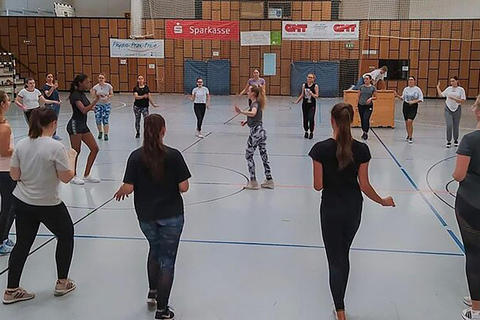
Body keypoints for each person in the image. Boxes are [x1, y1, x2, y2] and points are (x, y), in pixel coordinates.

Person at [309, 102, 395, 320]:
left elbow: (318, 185)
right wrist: (383, 201)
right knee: (343, 255)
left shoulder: (320, 149)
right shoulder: (362, 150)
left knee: (334, 259)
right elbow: (365, 186)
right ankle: (340, 307)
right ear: (352, 120)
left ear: (332, 121)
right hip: (353, 209)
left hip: (330, 210)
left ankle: (340, 311)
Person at [114, 114, 191, 320]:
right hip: (171, 215)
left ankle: (153, 292)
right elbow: (183, 187)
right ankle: (162, 310)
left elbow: (128, 187)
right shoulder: (173, 156)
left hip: (146, 215)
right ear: (163, 130)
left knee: (154, 249)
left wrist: (121, 190)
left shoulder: (135, 156)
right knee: (168, 260)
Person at [3, 107, 77, 305]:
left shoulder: (21, 144)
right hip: (48, 203)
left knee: (22, 243)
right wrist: (72, 157)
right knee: (66, 235)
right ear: (53, 124)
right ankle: (62, 281)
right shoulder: (55, 147)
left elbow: (14, 175)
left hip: (22, 201)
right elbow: (66, 177)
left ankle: (11, 289)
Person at [452, 95, 480, 320]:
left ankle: (476, 309)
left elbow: (459, 175)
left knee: (474, 255)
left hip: (472, 203)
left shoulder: (470, 140)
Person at [234, 86, 274, 190]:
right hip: (261, 132)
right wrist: (247, 121)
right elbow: (256, 117)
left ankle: (253, 181)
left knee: (248, 155)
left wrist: (241, 112)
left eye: (249, 90)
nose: (247, 92)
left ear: (253, 93)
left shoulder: (255, 104)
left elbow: (253, 113)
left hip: (255, 133)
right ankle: (269, 179)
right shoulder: (257, 103)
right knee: (263, 155)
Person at [67, 74, 101, 185]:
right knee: (76, 151)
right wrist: (95, 101)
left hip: (83, 125)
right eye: (86, 82)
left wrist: (93, 108)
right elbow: (83, 110)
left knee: (94, 148)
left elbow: (86, 107)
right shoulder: (75, 95)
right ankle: (73, 176)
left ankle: (86, 174)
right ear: (80, 83)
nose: (88, 84)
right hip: (75, 125)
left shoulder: (82, 94)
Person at [0, 91, 15, 255]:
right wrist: (19, 151)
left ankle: (4, 236)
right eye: (8, 100)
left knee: (9, 207)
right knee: (8, 208)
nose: (9, 102)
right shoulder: (4, 127)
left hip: (3, 170)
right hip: (5, 171)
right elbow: (4, 151)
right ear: (2, 104)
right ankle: (1, 240)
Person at [437, 76, 467, 148]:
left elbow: (463, 100)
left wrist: (454, 98)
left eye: (453, 81)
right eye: (451, 81)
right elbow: (441, 95)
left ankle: (456, 139)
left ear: (457, 81)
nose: (452, 83)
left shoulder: (461, 89)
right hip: (448, 109)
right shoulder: (448, 89)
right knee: (449, 125)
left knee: (456, 125)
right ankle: (449, 140)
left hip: (457, 109)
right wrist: (438, 87)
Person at [395, 76, 424, 144]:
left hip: (413, 106)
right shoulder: (406, 89)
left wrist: (413, 102)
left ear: (414, 81)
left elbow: (421, 99)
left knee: (409, 121)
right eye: (409, 80)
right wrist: (397, 95)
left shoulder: (417, 89)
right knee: (406, 122)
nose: (410, 81)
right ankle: (408, 134)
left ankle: (411, 137)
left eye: (411, 80)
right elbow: (403, 98)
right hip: (406, 106)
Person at [294, 73, 319, 139]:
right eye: (308, 77)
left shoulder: (315, 86)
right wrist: (297, 101)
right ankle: (306, 131)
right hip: (305, 104)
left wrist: (311, 94)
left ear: (313, 79)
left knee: (311, 118)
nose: (309, 78)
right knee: (305, 118)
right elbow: (302, 94)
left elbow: (317, 96)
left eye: (311, 77)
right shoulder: (304, 85)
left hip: (312, 104)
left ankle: (311, 132)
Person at [92, 73, 114, 141]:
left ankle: (106, 134)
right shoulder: (95, 87)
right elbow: (93, 96)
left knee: (105, 119)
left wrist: (108, 97)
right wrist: (97, 97)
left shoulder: (108, 86)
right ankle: (100, 132)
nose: (101, 79)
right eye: (100, 78)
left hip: (106, 105)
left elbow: (111, 94)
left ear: (105, 79)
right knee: (98, 119)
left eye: (102, 78)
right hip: (98, 105)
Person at [357, 75, 377, 140]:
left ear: (370, 80)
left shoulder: (373, 88)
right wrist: (356, 105)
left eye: (367, 79)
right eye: (365, 79)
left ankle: (366, 132)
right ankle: (363, 131)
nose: (365, 80)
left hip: (368, 106)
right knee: (362, 119)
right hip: (361, 105)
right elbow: (358, 96)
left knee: (366, 118)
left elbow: (376, 97)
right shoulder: (361, 87)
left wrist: (371, 98)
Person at [42, 73, 62, 140]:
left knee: (55, 120)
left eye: (51, 77)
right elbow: (47, 94)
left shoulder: (54, 86)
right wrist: (52, 88)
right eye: (49, 77)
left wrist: (59, 100)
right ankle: (47, 134)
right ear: (46, 78)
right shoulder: (45, 86)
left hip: (56, 104)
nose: (50, 78)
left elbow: (56, 94)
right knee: (49, 120)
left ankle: (54, 134)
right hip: (50, 105)